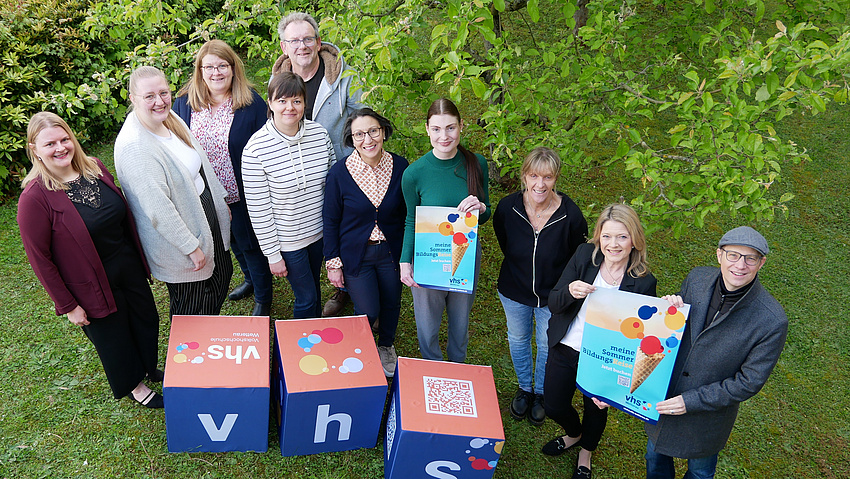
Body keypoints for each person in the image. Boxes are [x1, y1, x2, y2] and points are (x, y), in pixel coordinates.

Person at [18, 112, 163, 408]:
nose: (60, 148)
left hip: (127, 266)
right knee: (114, 336)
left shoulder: (94, 168)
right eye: (50, 144)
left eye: (64, 139)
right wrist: (68, 305)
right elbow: (40, 259)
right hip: (90, 281)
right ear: (34, 149)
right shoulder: (35, 198)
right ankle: (135, 386)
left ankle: (148, 366)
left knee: (145, 318)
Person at [644, 226, 788, 479]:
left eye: (750, 258)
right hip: (666, 398)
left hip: (708, 416)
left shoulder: (771, 320)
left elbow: (748, 382)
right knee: (655, 459)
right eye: (733, 255)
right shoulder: (697, 278)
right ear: (719, 255)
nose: (740, 265)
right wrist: (670, 309)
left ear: (761, 263)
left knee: (700, 472)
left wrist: (691, 401)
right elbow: (673, 332)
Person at [543, 204, 657, 479]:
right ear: (598, 237)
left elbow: (643, 336)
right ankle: (574, 433)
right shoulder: (585, 256)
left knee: (596, 409)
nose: (613, 244)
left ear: (634, 240)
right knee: (553, 404)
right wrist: (570, 290)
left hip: (604, 359)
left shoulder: (642, 282)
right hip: (566, 346)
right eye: (606, 236)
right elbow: (555, 303)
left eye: (621, 237)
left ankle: (586, 452)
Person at [115, 66, 233, 318]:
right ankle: (189, 352)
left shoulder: (169, 119)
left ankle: (209, 338)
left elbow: (198, 159)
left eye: (163, 92)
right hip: (181, 232)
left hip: (202, 208)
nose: (159, 101)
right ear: (133, 98)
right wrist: (189, 246)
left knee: (221, 276)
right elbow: (158, 208)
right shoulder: (136, 147)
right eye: (149, 96)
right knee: (193, 303)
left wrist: (219, 201)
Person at [272, 11, 364, 317]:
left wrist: (353, 158)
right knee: (314, 234)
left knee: (345, 232)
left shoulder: (344, 75)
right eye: (294, 40)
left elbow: (363, 116)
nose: (302, 46)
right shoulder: (279, 81)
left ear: (318, 41)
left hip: (341, 171)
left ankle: (344, 290)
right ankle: (321, 283)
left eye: (308, 38)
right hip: (298, 179)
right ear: (284, 46)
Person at [173, 39, 272, 316]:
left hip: (241, 192)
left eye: (222, 66)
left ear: (233, 68)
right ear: (200, 71)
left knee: (249, 244)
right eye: (209, 67)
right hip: (205, 193)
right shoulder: (184, 104)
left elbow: (265, 146)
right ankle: (250, 280)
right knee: (229, 243)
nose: (216, 73)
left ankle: (263, 297)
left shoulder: (251, 104)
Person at [493, 147, 587, 425]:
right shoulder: (507, 208)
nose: (540, 184)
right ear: (524, 176)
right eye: (534, 176)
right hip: (513, 290)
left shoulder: (570, 215)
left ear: (556, 178)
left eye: (547, 177)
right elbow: (504, 241)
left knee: (548, 344)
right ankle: (524, 388)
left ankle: (542, 392)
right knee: (518, 339)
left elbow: (578, 255)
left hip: (553, 297)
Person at [399, 98, 490, 364]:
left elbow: (486, 215)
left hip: (465, 253)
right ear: (426, 129)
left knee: (460, 320)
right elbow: (410, 219)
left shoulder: (477, 164)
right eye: (437, 129)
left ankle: (457, 367)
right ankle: (432, 367)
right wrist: (406, 260)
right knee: (427, 323)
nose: (444, 136)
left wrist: (482, 208)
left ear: (462, 126)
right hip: (428, 255)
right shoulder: (414, 174)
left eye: (450, 128)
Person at [242, 72, 335, 319]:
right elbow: (259, 210)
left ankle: (314, 344)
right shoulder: (255, 150)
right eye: (282, 101)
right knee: (307, 298)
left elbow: (333, 185)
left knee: (314, 289)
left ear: (305, 103)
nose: (290, 108)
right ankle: (287, 355)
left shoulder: (319, 134)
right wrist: (273, 255)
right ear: (270, 103)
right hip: (289, 240)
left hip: (319, 233)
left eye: (296, 101)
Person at [323, 108, 408, 377]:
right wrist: (333, 263)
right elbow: (330, 220)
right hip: (356, 255)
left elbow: (409, 214)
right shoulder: (340, 173)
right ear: (351, 138)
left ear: (383, 132)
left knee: (392, 302)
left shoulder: (402, 167)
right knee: (368, 309)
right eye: (359, 134)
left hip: (391, 252)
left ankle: (386, 345)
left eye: (373, 131)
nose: (367, 139)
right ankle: (362, 345)